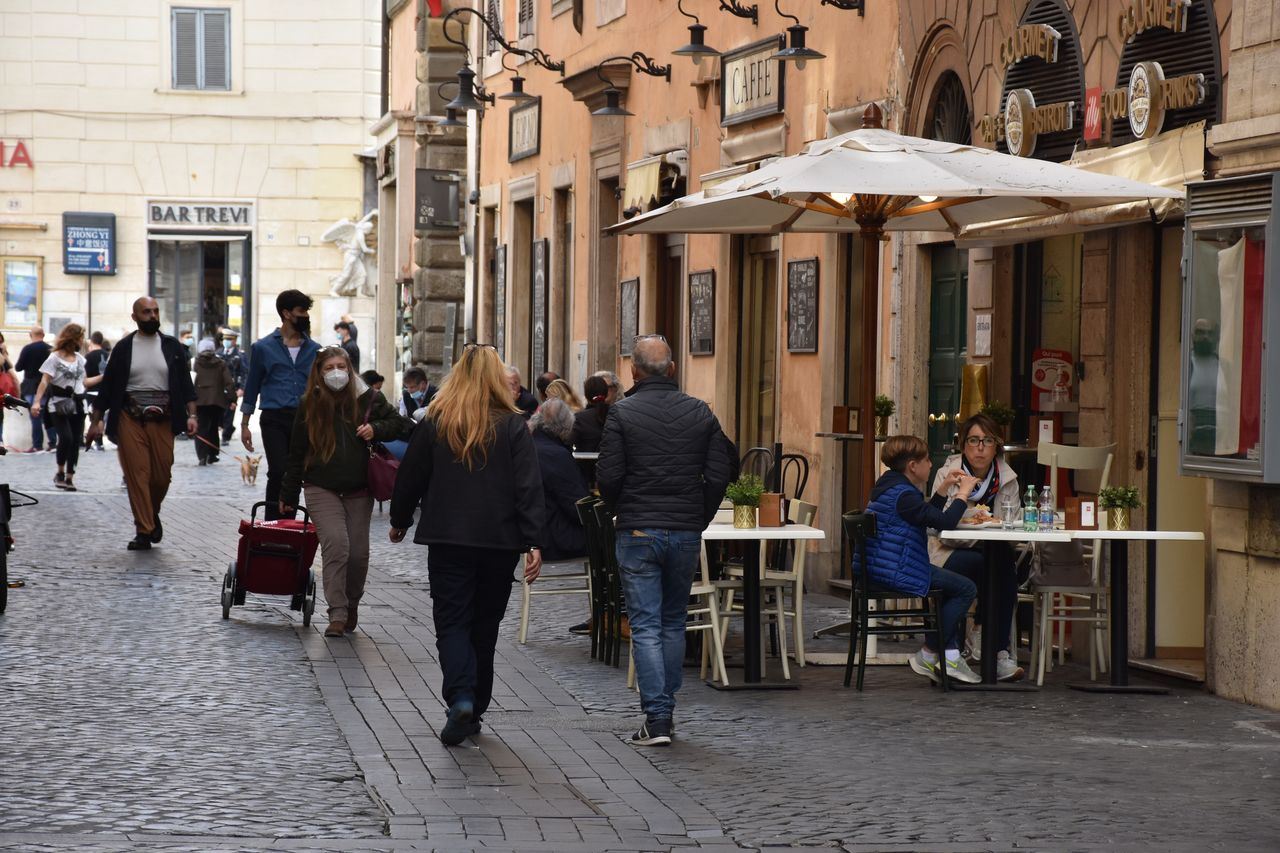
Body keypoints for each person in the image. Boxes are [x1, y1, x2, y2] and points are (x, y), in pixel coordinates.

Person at [389, 344, 544, 746]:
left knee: (453, 621)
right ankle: (475, 705)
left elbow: (411, 476)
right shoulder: (513, 426)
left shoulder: (437, 420)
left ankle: (460, 696)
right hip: (499, 541)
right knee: (485, 625)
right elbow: (528, 487)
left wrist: (400, 521)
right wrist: (533, 541)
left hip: (447, 538)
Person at [596, 335, 734, 747]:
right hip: (684, 531)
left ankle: (657, 719)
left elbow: (608, 477)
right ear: (672, 369)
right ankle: (664, 713)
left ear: (633, 372)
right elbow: (721, 471)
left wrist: (625, 510)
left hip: (638, 530)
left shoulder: (621, 414)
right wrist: (699, 516)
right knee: (673, 621)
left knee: (646, 624)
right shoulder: (700, 413)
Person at [280, 347, 408, 638]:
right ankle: (336, 612)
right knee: (336, 545)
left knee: (358, 555)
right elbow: (297, 451)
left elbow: (400, 425)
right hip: (320, 486)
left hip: (359, 489)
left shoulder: (368, 398)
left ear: (350, 370)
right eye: (329, 367)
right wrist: (288, 494)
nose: (336, 372)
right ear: (319, 372)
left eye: (341, 366)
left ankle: (352, 603)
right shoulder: (308, 403)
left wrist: (376, 428)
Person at [861, 435, 982, 685]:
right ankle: (929, 653)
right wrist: (963, 492)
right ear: (913, 466)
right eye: (927, 460)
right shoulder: (903, 495)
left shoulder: (892, 487)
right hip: (896, 569)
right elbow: (945, 522)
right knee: (966, 588)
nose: (931, 465)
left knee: (952, 582)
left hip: (887, 566)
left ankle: (948, 657)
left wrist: (941, 489)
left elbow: (926, 515)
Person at [87, 297, 198, 550]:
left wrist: (193, 415)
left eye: (155, 311)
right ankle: (144, 530)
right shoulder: (124, 348)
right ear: (135, 317)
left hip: (164, 418)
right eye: (146, 312)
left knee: (161, 476)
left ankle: (150, 513)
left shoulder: (172, 346)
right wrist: (96, 422)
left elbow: (185, 385)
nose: (152, 315)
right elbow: (109, 387)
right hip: (129, 417)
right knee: (138, 474)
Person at [927, 414, 1024, 680]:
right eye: (973, 440)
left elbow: (1012, 523)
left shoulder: (1007, 479)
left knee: (1004, 567)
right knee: (989, 568)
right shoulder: (947, 474)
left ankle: (994, 651)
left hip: (993, 551)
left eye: (987, 441)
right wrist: (980, 527)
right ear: (963, 445)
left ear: (997, 446)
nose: (980, 448)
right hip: (946, 552)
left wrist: (988, 526)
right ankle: (985, 647)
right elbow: (942, 530)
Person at [241, 290, 321, 520]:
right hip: (274, 417)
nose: (305, 316)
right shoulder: (263, 347)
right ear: (286, 313)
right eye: (301, 311)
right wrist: (245, 424)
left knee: (295, 473)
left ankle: (288, 525)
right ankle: (272, 524)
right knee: (278, 470)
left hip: (304, 418)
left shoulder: (315, 350)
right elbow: (252, 386)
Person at [31, 324, 100, 492]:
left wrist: (105, 376)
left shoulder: (80, 359)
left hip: (78, 404)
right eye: (80, 337)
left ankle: (70, 477)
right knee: (66, 438)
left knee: (76, 441)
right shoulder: (54, 358)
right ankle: (60, 473)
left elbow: (85, 382)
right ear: (72, 338)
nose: (82, 341)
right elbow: (45, 381)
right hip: (59, 404)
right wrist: (37, 402)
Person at [529, 399, 590, 561]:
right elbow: (577, 506)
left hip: (535, 532)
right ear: (566, 425)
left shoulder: (530, 445)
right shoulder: (556, 455)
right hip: (556, 537)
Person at [192, 339, 235, 466]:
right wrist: (232, 399)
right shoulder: (220, 363)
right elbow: (229, 382)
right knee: (213, 427)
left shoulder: (194, 363)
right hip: (217, 400)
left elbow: (189, 381)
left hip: (199, 400)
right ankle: (212, 454)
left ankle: (202, 456)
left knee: (201, 428)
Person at [15, 326, 54, 452]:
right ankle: (52, 443)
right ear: (43, 335)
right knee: (48, 415)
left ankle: (37, 445)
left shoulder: (28, 349)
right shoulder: (50, 349)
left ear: (31, 335)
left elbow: (18, 367)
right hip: (47, 387)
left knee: (35, 416)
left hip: (31, 387)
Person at [217, 328, 246, 446]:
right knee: (220, 413)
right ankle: (227, 429)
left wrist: (242, 388)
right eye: (225, 339)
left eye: (229, 339)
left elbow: (244, 373)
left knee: (230, 412)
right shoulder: (218, 353)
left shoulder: (240, 355)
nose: (226, 342)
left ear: (235, 341)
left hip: (233, 388)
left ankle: (225, 437)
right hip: (219, 388)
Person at [83, 332, 110, 450]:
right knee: (101, 416)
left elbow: (85, 377)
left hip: (92, 391)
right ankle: (100, 442)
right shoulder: (107, 355)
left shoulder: (88, 357)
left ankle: (98, 442)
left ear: (92, 341)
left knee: (94, 417)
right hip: (104, 390)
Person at [572, 374, 610, 452]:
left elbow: (570, 441)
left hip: (585, 463)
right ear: (606, 393)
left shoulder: (579, 418)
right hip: (612, 463)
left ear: (586, 395)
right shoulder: (618, 414)